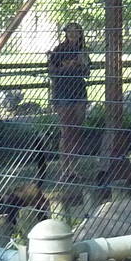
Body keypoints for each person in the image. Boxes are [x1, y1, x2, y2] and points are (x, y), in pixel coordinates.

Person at [47, 22, 92, 195]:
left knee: (76, 129)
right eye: (70, 32)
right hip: (62, 92)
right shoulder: (59, 50)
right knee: (66, 130)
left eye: (76, 32)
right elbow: (51, 70)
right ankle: (64, 168)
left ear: (80, 34)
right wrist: (64, 67)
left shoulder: (83, 51)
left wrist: (80, 65)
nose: (73, 35)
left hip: (78, 92)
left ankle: (73, 168)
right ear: (66, 34)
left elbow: (87, 72)